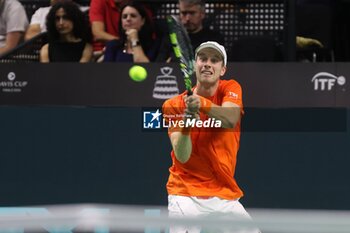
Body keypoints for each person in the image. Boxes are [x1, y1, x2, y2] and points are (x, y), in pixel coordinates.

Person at [162, 41, 259, 233]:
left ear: (222, 69)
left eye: (214, 60)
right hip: (185, 192)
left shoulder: (230, 88)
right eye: (203, 59)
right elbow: (182, 155)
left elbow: (230, 118)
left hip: (224, 192)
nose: (207, 63)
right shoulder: (172, 105)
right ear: (195, 65)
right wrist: (188, 122)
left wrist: (202, 104)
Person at [156, 0, 224, 62]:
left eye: (192, 13)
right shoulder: (171, 38)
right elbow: (158, 65)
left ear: (202, 14)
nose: (187, 18)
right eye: (184, 13)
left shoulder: (214, 39)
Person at [24, 0, 89, 41]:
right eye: (57, 18)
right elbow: (30, 37)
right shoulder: (41, 12)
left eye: (66, 17)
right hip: (46, 49)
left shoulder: (86, 11)